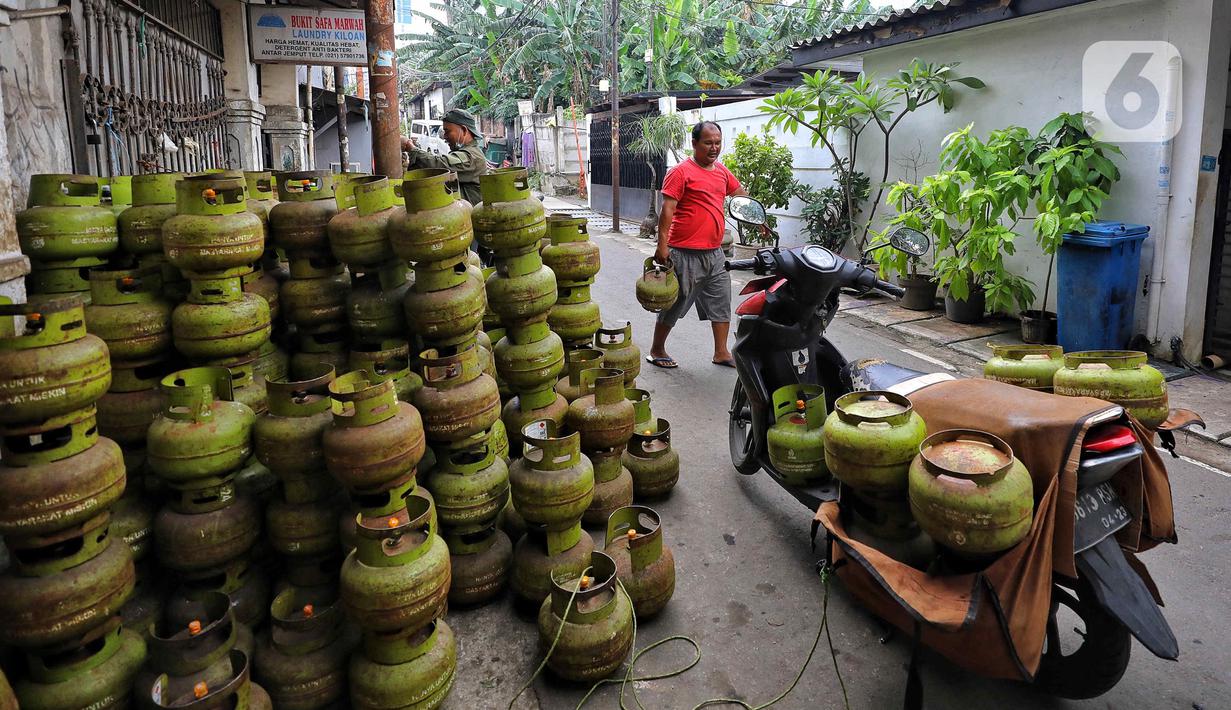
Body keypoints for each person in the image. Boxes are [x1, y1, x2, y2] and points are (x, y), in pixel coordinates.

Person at [647, 120, 751, 369]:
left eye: (717, 143)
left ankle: (721, 352)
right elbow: (667, 210)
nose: (714, 148)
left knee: (721, 300)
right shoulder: (680, 172)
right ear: (694, 144)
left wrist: (753, 213)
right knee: (676, 301)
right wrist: (662, 246)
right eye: (708, 143)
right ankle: (656, 349)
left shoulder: (722, 172)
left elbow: (741, 195)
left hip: (715, 253)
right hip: (684, 252)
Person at [401, 108, 488, 205]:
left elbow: (439, 165)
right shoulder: (463, 152)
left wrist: (411, 148)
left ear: (463, 130)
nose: (444, 136)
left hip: (468, 214)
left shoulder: (471, 156)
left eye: (447, 131)